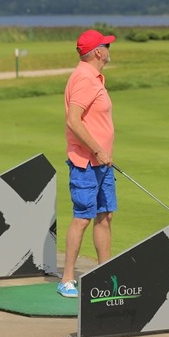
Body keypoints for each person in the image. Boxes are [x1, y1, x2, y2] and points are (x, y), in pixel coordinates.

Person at [58, 29, 117, 297]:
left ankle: (105, 272)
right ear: (97, 52)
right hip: (85, 162)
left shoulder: (94, 77)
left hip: (101, 162)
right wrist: (96, 149)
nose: (109, 48)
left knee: (105, 216)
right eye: (106, 45)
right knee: (83, 217)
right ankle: (67, 278)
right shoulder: (84, 79)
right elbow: (73, 120)